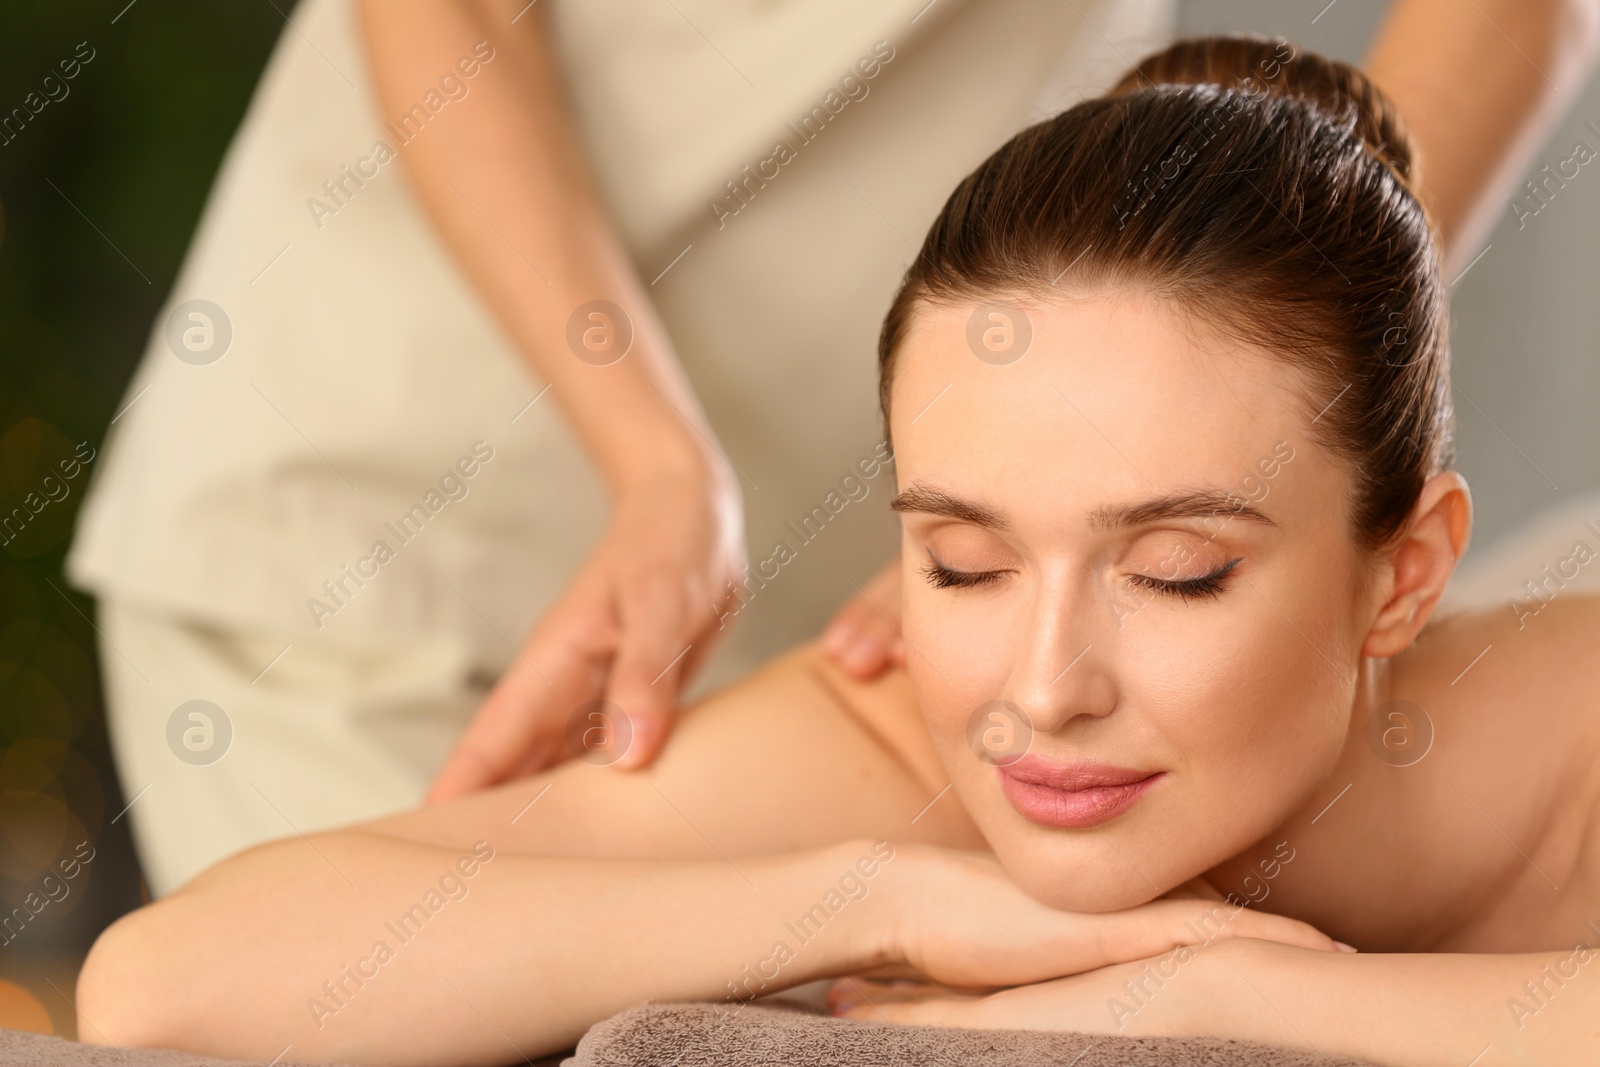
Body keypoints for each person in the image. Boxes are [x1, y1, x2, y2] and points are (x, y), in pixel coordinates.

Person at [75, 35, 1600, 1066]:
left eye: (1175, 570)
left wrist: (1236, 992)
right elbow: (167, 983)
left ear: (1403, 573)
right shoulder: (904, 753)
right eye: (964, 562)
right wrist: (878, 897)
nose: (1041, 691)